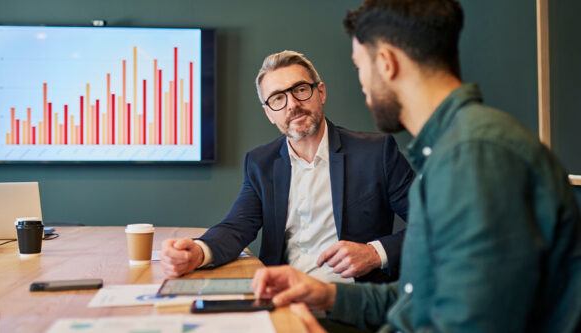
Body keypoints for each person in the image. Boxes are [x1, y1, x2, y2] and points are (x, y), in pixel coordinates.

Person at [251, 1, 581, 332]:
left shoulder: (474, 155)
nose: (362, 85)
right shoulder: (452, 149)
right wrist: (327, 295)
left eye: (358, 68)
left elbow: (467, 325)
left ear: (386, 63)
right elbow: (422, 298)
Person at [160, 50, 414, 284]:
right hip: (283, 297)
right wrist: (199, 252)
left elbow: (433, 223)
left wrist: (373, 253)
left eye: (300, 90)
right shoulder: (261, 163)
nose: (292, 104)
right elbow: (237, 227)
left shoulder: (376, 153)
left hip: (353, 302)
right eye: (278, 98)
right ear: (269, 114)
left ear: (321, 92)